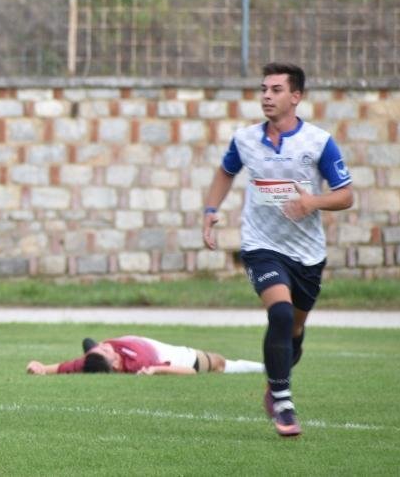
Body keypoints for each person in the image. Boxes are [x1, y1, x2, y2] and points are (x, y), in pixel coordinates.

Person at [202, 62, 353, 437]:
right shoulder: (245, 139)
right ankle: (284, 403)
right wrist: (210, 210)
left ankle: (274, 385)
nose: (267, 96)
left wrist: (312, 203)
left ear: (296, 97)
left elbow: (346, 195)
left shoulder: (318, 142)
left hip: (307, 253)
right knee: (281, 315)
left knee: (294, 329)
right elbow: (225, 172)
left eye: (276, 90)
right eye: (264, 89)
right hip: (261, 246)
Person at [26, 335, 264, 376]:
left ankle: (266, 367)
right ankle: (265, 368)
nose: (104, 344)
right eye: (105, 350)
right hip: (185, 357)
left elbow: (65, 367)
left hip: (170, 349)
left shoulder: (91, 359)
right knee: (220, 364)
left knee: (225, 364)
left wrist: (40, 367)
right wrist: (157, 370)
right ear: (116, 364)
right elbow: (189, 372)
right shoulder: (137, 361)